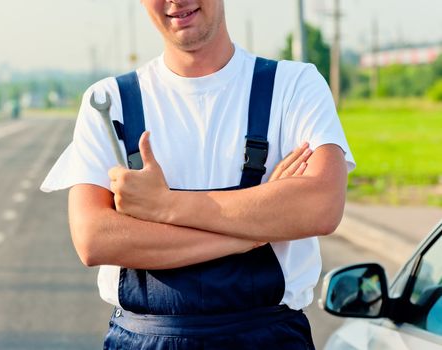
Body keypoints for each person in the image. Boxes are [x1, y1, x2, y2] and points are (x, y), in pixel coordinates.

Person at [41, 0, 355, 348]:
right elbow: (94, 238)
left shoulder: (295, 85)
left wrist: (164, 205)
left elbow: (321, 205)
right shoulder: (108, 101)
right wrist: (251, 234)